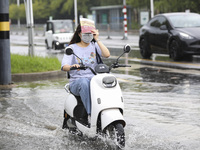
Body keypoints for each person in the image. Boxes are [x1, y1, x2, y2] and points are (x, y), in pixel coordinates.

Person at [61, 24, 110, 122]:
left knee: (109, 81)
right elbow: (64, 66)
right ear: (79, 34)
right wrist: (72, 67)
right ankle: (91, 115)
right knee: (84, 82)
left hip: (94, 80)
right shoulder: (72, 48)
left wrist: (97, 39)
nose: (88, 36)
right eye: (85, 34)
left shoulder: (95, 45)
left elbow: (107, 54)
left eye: (90, 34)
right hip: (77, 82)